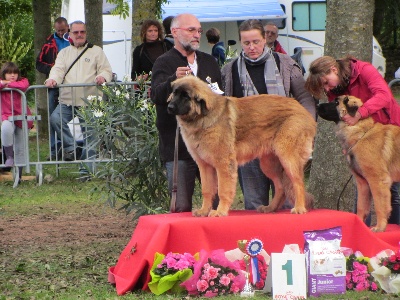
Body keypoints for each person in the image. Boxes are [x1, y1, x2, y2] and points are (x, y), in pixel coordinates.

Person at [221, 19, 316, 210]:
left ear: (265, 39)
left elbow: (305, 97)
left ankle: (295, 215)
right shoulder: (229, 70)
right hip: (245, 140)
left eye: (256, 41)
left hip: (281, 130)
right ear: (241, 42)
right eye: (246, 43)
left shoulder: (286, 63)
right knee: (253, 201)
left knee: (290, 196)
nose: (251, 47)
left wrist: (306, 127)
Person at [305, 55, 400, 225]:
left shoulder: (364, 70)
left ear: (334, 70)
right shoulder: (335, 89)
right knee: (364, 184)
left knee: (388, 188)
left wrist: (360, 113)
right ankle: (363, 228)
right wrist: (348, 144)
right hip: (362, 138)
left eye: (326, 82)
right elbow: (341, 120)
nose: (327, 88)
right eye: (323, 86)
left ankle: (390, 233)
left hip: (389, 130)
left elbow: (384, 95)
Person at [151, 13, 222, 212]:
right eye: (191, 30)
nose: (197, 35)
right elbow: (156, 95)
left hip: (211, 145)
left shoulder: (209, 62)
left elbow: (221, 98)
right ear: (174, 32)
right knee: (181, 206)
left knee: (216, 205)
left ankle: (217, 243)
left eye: (199, 31)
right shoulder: (163, 62)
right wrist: (173, 80)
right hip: (179, 148)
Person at [45, 20, 112, 174]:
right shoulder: (64, 53)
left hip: (90, 101)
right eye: (76, 32)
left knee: (91, 136)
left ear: (86, 33)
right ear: (70, 34)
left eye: (82, 32)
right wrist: (52, 79)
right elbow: (58, 69)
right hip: (67, 100)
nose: (79, 35)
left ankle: (86, 171)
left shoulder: (97, 51)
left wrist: (102, 77)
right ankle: (70, 146)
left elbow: (106, 70)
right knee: (55, 119)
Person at [36, 17, 70, 161]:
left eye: (63, 30)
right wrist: (52, 71)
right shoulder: (49, 43)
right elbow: (39, 63)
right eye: (58, 31)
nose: (61, 33)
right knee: (52, 118)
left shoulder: (73, 40)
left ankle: (69, 147)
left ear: (67, 27)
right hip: (54, 85)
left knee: (64, 118)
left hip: (71, 84)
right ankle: (53, 151)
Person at [0, 62, 33, 178]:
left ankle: (18, 175)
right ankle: (9, 156)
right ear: (4, 74)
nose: (12, 75)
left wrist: (8, 84)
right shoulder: (2, 83)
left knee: (20, 146)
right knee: (5, 129)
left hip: (23, 117)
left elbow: (24, 86)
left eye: (15, 73)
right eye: (9, 73)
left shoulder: (22, 80)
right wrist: (4, 83)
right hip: (7, 117)